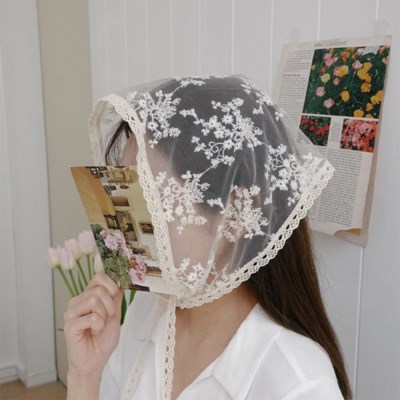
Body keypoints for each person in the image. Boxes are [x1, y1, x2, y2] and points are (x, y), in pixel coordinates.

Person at [64, 75, 351, 399]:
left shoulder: (297, 382)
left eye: (150, 198)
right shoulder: (145, 314)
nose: (127, 219)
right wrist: (84, 376)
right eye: (125, 191)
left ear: (237, 212)